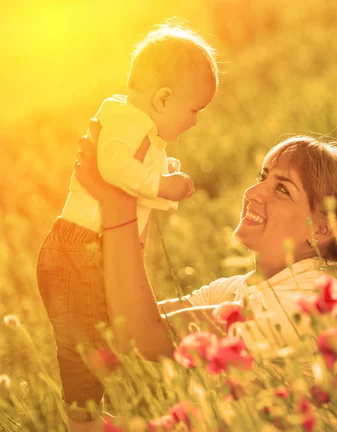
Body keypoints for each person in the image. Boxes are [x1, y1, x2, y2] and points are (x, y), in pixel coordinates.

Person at [73, 119, 337, 431]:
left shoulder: (301, 306)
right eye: (263, 177)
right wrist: (133, 190)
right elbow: (124, 320)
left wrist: (119, 205)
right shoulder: (239, 290)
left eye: (282, 189)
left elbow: (144, 336)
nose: (254, 194)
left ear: (323, 228)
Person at [36, 23, 218, 430]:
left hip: (87, 249)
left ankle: (91, 415)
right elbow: (113, 169)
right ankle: (82, 420)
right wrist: (162, 183)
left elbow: (131, 187)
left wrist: (166, 182)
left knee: (97, 336)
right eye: (194, 110)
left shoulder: (140, 128)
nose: (195, 123)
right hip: (78, 248)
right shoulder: (125, 119)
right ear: (164, 98)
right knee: (84, 341)